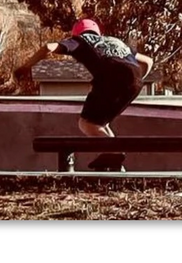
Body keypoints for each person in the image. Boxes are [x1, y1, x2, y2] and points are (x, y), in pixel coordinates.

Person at [42, 17, 154, 170]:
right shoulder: (114, 41)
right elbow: (148, 61)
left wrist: (25, 66)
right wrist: (132, 81)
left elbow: (49, 47)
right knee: (101, 124)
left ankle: (114, 153)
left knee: (87, 123)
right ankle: (116, 164)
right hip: (135, 81)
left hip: (111, 78)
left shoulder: (79, 41)